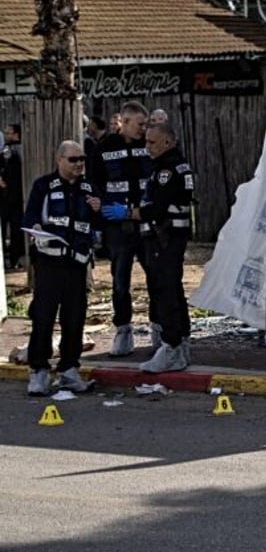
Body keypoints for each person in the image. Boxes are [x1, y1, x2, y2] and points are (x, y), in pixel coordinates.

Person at [102, 122, 194, 373]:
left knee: (165, 291)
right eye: (146, 141)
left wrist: (129, 212)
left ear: (167, 142)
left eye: (152, 142)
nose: (147, 147)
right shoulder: (172, 165)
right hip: (168, 237)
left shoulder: (168, 169)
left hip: (164, 238)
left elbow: (158, 207)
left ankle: (172, 347)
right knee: (172, 290)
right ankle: (181, 345)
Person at [23, 140, 101, 396]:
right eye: (73, 159)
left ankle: (69, 369)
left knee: (75, 318)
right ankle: (39, 371)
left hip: (77, 263)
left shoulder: (89, 188)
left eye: (82, 159)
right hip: (49, 262)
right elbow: (30, 215)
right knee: (43, 317)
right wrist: (35, 228)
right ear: (59, 160)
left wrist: (97, 209)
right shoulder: (44, 185)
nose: (79, 164)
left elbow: (98, 224)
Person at [90, 101, 153, 356]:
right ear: (124, 122)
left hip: (147, 223)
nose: (143, 129)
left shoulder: (148, 145)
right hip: (117, 226)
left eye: (145, 124)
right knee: (119, 281)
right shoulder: (103, 149)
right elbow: (94, 185)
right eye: (139, 124)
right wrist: (99, 222)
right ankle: (123, 331)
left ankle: (159, 330)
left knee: (157, 278)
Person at [1, 123, 25, 270]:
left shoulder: (12, 150)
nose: (6, 135)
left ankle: (15, 258)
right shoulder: (8, 149)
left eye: (9, 132)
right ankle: (12, 258)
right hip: (11, 197)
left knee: (16, 230)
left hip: (12, 196)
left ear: (16, 134)